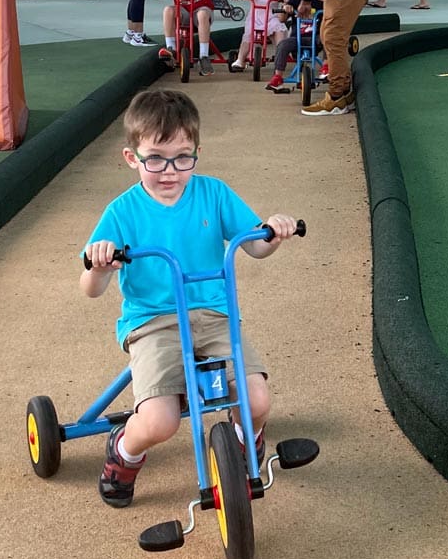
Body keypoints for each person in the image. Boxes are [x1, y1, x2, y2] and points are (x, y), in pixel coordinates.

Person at [81, 88, 299, 507]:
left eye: (182, 157)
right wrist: (100, 265)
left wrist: (274, 231)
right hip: (153, 324)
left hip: (213, 316)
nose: (169, 171)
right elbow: (90, 289)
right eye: (156, 159)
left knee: (256, 400)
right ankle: (124, 452)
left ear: (197, 152)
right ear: (133, 158)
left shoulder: (213, 193)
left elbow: (253, 245)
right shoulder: (121, 213)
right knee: (160, 422)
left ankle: (244, 441)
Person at [264, 0, 325, 92]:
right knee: (283, 45)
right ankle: (278, 76)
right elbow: (281, 19)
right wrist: (285, 9)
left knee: (329, 40)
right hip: (297, 39)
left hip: (316, 38)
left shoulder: (321, 3)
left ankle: (326, 67)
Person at [229, 0, 286, 71]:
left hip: (271, 17)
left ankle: (280, 58)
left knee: (279, 32)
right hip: (255, 18)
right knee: (248, 37)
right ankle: (240, 60)